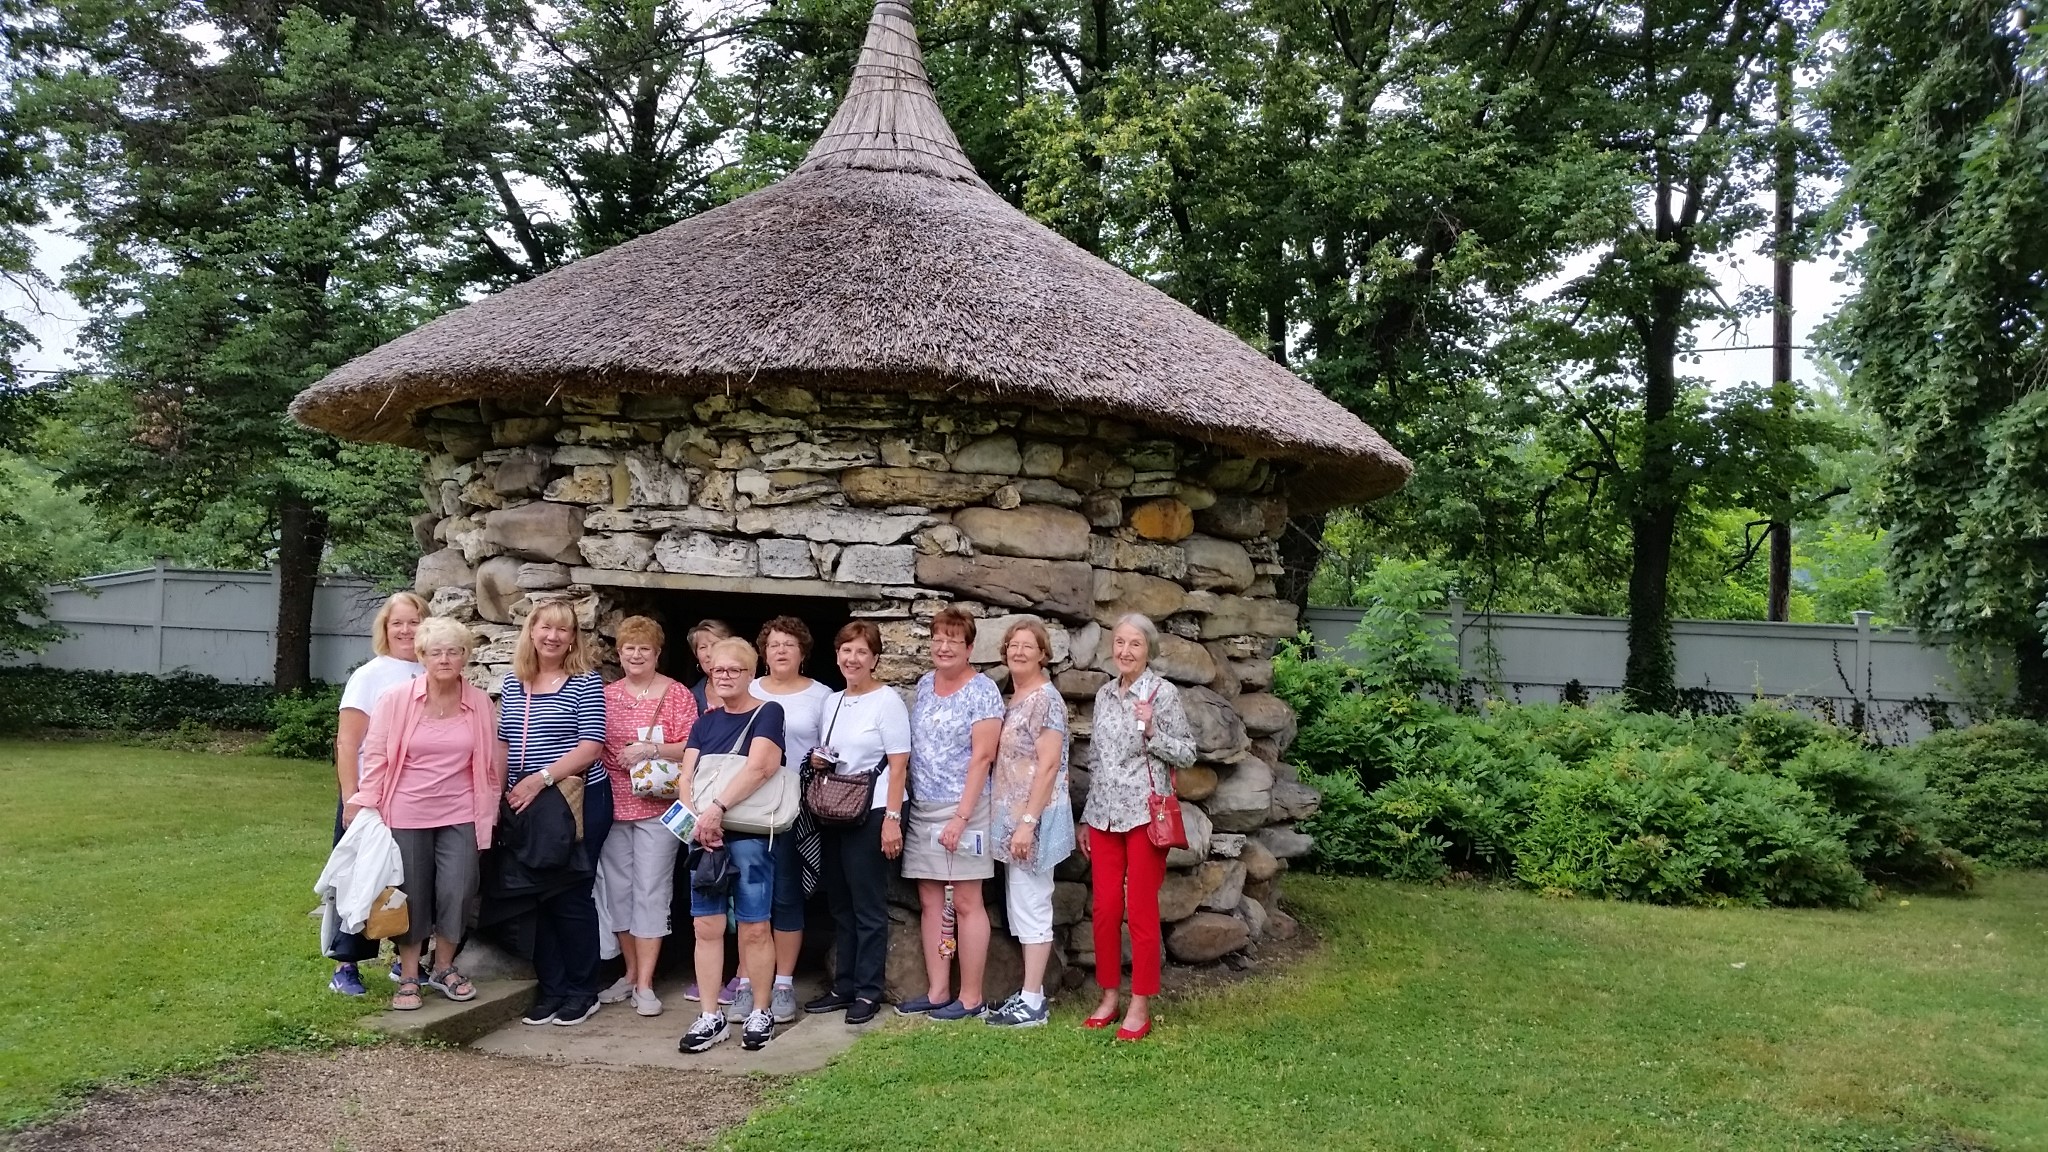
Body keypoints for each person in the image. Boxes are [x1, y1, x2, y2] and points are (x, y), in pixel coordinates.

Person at [347, 616, 498, 1010]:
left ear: (465, 656)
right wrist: (365, 801)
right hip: (407, 811)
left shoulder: (479, 703)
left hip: (461, 811)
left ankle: (444, 966)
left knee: (459, 889)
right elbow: (376, 755)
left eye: (453, 652)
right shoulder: (396, 699)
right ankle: (409, 975)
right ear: (422, 656)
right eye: (435, 652)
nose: (444, 659)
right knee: (411, 895)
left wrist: (490, 811)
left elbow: (488, 765)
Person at [1083, 613, 1196, 1042]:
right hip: (1104, 816)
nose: (1125, 651)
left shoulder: (1162, 694)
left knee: (1141, 909)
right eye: (1120, 642)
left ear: (1149, 649)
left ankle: (1140, 1002)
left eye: (1135, 644)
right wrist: (1086, 816)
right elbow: (1096, 760)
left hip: (1145, 816)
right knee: (1105, 909)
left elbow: (1187, 753)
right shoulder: (1104, 695)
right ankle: (1109, 995)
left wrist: (1152, 732)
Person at [498, 599, 610, 1027]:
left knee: (570, 895)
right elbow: (504, 742)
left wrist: (540, 779)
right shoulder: (515, 682)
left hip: (572, 799)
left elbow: (591, 746)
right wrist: (500, 793)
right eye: (545, 627)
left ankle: (583, 990)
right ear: (531, 631)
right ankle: (552, 988)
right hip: (525, 804)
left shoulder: (585, 682)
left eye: (563, 629)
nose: (553, 636)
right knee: (534, 896)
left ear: (573, 638)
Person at [677, 636, 788, 1054]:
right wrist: (697, 821)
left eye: (734, 670)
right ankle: (710, 1014)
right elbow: (686, 777)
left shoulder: (768, 712)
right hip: (706, 839)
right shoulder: (704, 722)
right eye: (717, 669)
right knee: (705, 926)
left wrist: (717, 810)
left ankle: (760, 1010)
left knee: (755, 925)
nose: (724, 676)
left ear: (751, 674)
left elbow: (761, 766)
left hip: (749, 835)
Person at [802, 621, 912, 1026]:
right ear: (837, 656)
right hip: (836, 808)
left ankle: (868, 990)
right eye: (846, 650)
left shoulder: (887, 701)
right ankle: (842, 986)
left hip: (875, 810)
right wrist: (819, 759)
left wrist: (892, 820)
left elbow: (899, 764)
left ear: (875, 659)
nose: (853, 659)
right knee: (839, 903)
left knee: (867, 906)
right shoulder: (833, 702)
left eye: (862, 652)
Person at [899, 606, 1004, 1020]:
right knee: (930, 899)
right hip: (925, 806)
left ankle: (971, 997)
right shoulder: (925, 685)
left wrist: (961, 818)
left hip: (966, 808)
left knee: (965, 899)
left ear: (969, 647)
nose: (943, 647)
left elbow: (983, 757)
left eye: (953, 640)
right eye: (937, 638)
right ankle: (938, 990)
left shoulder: (983, 691)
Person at [596, 616, 699, 1018]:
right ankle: (630, 971)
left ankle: (646, 982)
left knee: (651, 890)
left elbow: (694, 744)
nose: (636, 655)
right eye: (629, 648)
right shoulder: (606, 695)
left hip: (660, 808)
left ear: (657, 653)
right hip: (613, 805)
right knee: (617, 891)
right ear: (619, 653)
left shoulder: (676, 694)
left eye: (644, 648)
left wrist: (650, 749)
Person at [328, 590, 426, 996]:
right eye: (396, 623)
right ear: (384, 629)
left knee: (408, 878)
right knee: (358, 877)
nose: (406, 630)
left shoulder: (434, 671)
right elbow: (348, 743)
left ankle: (406, 961)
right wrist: (352, 797)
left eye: (414, 622)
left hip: (415, 795)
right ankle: (346, 965)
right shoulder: (369, 676)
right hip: (370, 794)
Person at [985, 617, 1074, 1029]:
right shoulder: (1016, 697)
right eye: (1013, 645)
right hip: (1013, 821)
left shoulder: (1045, 700)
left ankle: (1034, 1001)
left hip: (1032, 821)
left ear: (1043, 654)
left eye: (1028, 646)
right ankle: (1026, 994)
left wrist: (1027, 823)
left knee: (1033, 904)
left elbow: (1049, 765)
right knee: (1020, 905)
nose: (1019, 652)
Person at [747, 616, 833, 1024]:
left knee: (786, 895)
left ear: (803, 652)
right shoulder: (749, 689)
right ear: (763, 652)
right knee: (749, 896)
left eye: (789, 644)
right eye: (774, 644)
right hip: (750, 807)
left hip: (797, 808)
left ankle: (783, 982)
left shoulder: (822, 696)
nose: (781, 650)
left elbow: (833, 747)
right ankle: (748, 979)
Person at [685, 619, 734, 714]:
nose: (709, 653)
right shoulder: (690, 696)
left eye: (715, 645)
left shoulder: (751, 687)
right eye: (703, 647)